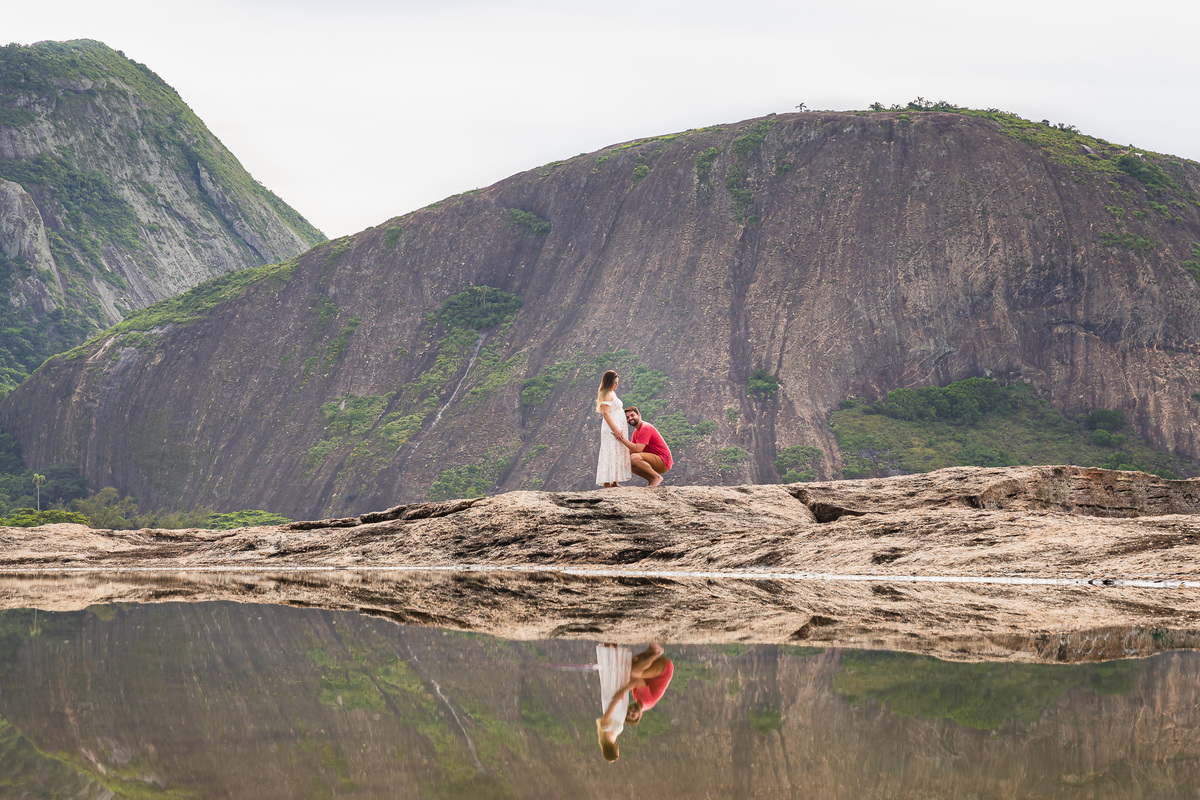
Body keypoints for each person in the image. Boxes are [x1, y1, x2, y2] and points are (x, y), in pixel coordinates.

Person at [596, 642, 673, 761]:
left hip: (615, 700)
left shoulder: (608, 737)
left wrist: (616, 700)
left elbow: (606, 718)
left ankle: (654, 653)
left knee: (625, 674)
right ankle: (614, 650)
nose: (630, 712)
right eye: (632, 715)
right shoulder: (610, 738)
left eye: (617, 753)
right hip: (660, 672)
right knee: (622, 675)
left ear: (614, 751)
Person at [617, 406, 672, 487]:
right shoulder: (636, 432)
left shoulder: (645, 427)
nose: (630, 418)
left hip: (663, 461)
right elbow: (632, 451)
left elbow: (638, 449)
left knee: (634, 458)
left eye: (632, 415)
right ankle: (651, 479)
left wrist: (621, 438)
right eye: (627, 417)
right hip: (654, 460)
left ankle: (656, 477)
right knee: (627, 461)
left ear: (639, 415)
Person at [595, 370, 632, 488]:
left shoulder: (612, 393)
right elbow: (605, 413)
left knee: (616, 451)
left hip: (616, 427)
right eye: (615, 383)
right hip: (611, 428)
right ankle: (607, 482)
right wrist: (615, 429)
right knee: (609, 451)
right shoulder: (607, 394)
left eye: (617, 383)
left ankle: (614, 481)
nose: (617, 385)